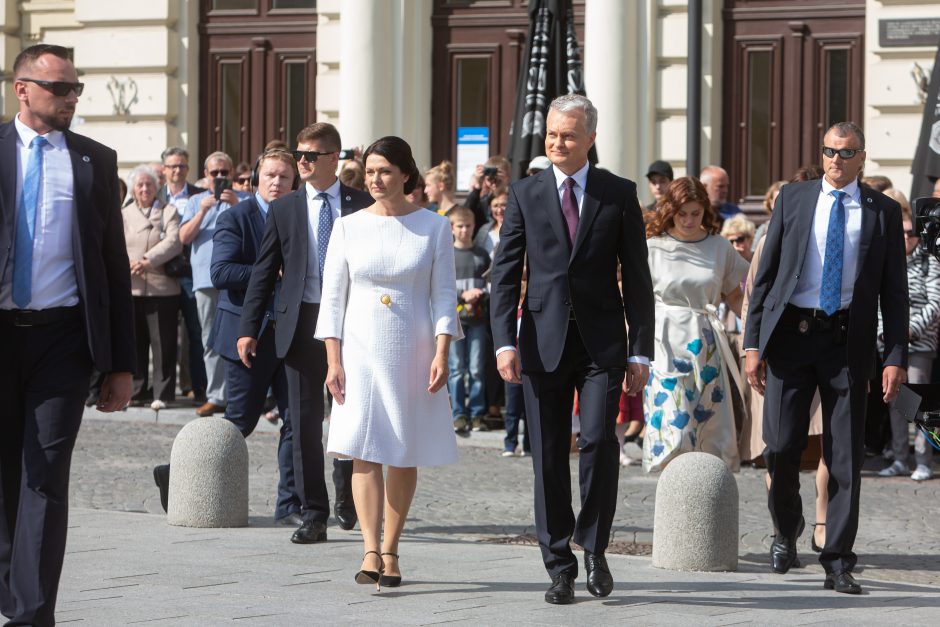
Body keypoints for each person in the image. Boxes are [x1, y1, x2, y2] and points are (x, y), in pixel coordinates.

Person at [490, 94, 655, 605]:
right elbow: (504, 273)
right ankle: (558, 563)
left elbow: (640, 278)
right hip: (541, 339)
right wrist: (502, 342)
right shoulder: (525, 193)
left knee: (601, 444)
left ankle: (594, 546)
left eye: (567, 135)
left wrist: (640, 352)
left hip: (603, 342)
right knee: (547, 457)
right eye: (552, 136)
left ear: (590, 139)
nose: (557, 143)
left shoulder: (618, 193)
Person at [0, 43, 134, 627]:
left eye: (77, 89)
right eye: (60, 89)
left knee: (46, 474)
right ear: (22, 89)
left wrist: (120, 364)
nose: (72, 98)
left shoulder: (94, 162)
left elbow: (111, 265)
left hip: (63, 341)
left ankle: (31, 614)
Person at [744, 122, 908, 595]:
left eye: (846, 152)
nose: (835, 160)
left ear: (862, 157)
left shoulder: (880, 211)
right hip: (791, 338)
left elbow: (895, 295)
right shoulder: (794, 200)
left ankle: (837, 559)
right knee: (779, 447)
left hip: (846, 343)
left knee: (844, 457)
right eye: (829, 151)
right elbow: (766, 277)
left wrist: (894, 355)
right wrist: (753, 344)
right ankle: (785, 529)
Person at [316, 135, 460, 590]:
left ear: (405, 174)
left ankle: (393, 549)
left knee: (401, 448)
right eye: (370, 170)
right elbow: (332, 300)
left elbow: (443, 295)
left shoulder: (434, 227)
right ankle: (368, 549)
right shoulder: (348, 226)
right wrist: (332, 361)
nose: (376, 179)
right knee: (362, 447)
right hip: (358, 349)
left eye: (385, 171)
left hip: (412, 348)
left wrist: (442, 349)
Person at [152, 149, 304, 519]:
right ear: (255, 179)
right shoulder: (237, 216)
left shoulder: (304, 220)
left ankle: (290, 505)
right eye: (270, 175)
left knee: (296, 422)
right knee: (240, 423)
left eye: (285, 177)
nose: (276, 183)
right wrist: (272, 274)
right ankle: (178, 473)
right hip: (244, 334)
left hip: (292, 334)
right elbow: (221, 273)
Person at [238, 122, 371, 543]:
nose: (303, 162)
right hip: (299, 324)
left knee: (353, 414)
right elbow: (263, 271)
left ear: (334, 158)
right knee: (303, 420)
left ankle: (349, 486)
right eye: (299, 155)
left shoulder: (362, 204)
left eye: (311, 155)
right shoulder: (285, 208)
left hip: (353, 324)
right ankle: (313, 511)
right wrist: (248, 327)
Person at [642, 177, 749, 472]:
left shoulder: (719, 247)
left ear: (705, 210)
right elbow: (632, 301)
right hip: (663, 341)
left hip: (705, 340)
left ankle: (705, 491)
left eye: (696, 213)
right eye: (682, 213)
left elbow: (737, 295)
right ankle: (673, 493)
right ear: (670, 211)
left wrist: (757, 334)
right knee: (673, 420)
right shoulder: (652, 247)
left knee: (707, 422)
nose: (689, 220)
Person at [180, 151, 249, 417]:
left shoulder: (245, 199)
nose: (219, 177)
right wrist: (202, 212)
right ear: (206, 175)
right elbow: (184, 238)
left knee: (240, 337)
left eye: (224, 173)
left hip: (237, 278)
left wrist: (234, 206)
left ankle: (239, 395)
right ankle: (217, 395)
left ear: (231, 174)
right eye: (214, 173)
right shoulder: (196, 200)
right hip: (206, 279)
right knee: (209, 338)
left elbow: (257, 231)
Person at [877, 189, 938, 481]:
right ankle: (900, 458)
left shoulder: (929, 262)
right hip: (891, 345)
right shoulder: (886, 262)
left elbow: (935, 302)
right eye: (900, 232)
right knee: (898, 402)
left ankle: (923, 460)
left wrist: (909, 329)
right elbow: (877, 303)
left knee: (919, 402)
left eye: (910, 233)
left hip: (920, 343)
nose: (905, 238)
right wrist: (884, 332)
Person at [122, 165, 181, 411]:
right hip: (132, 286)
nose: (145, 189)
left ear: (156, 188)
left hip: (162, 288)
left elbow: (174, 241)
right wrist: (131, 264)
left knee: (163, 344)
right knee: (135, 344)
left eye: (149, 185)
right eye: (140, 185)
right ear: (134, 189)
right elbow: (114, 242)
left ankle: (163, 393)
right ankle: (137, 391)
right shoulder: (123, 213)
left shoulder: (169, 210)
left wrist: (148, 260)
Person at [158, 146, 207, 401]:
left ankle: (198, 386)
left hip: (190, 271)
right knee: (162, 333)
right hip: (159, 273)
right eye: (173, 166)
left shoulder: (200, 195)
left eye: (182, 166)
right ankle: (163, 389)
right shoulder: (153, 195)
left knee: (195, 330)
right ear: (164, 169)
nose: (177, 170)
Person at [448, 206, 491, 434]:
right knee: (456, 368)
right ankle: (458, 414)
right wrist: (461, 295)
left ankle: (477, 414)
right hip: (454, 319)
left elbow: (491, 283)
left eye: (468, 226)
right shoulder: (447, 254)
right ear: (452, 228)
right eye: (460, 226)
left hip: (477, 318)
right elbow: (440, 287)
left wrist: (480, 292)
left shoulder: (481, 255)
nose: (464, 231)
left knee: (476, 368)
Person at [474, 186, 507, 258]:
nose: (499, 210)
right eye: (495, 206)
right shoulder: (484, 230)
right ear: (490, 208)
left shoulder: (520, 230)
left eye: (504, 205)